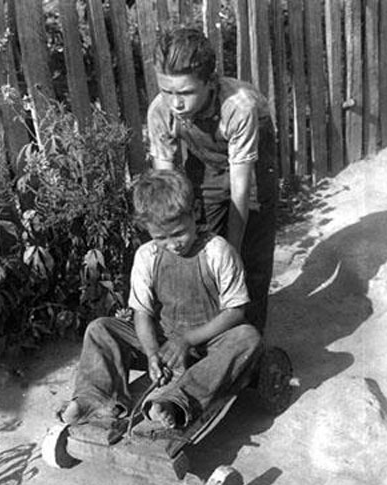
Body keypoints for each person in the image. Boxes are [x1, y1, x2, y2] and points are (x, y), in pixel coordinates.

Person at [60, 169, 261, 435]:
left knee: (248, 336)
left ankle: (176, 400)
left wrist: (188, 340)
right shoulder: (147, 255)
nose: (173, 245)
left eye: (178, 233)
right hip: (165, 338)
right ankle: (94, 399)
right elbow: (141, 313)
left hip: (208, 343)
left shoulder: (218, 251)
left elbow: (235, 311)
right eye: (161, 238)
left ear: (195, 212)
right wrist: (153, 352)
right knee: (100, 328)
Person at [148, 26, 278, 333]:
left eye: (185, 93)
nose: (175, 103)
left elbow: (241, 188)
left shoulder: (239, 106)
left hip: (252, 171)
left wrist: (232, 249)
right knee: (198, 243)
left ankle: (248, 345)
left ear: (210, 81)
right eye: (167, 91)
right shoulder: (161, 110)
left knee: (250, 258)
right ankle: (205, 332)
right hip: (206, 165)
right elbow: (166, 187)